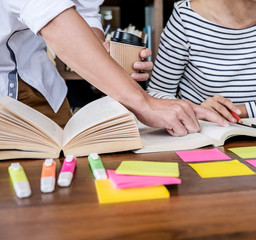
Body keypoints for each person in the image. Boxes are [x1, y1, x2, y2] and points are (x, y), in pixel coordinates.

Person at [1, 0, 228, 137]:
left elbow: (86, 12)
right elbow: (48, 12)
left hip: (44, 89)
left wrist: (104, 57)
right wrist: (143, 101)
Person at [146, 0, 256, 123]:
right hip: (201, 134)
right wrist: (198, 111)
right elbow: (157, 94)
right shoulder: (185, 16)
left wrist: (226, 112)